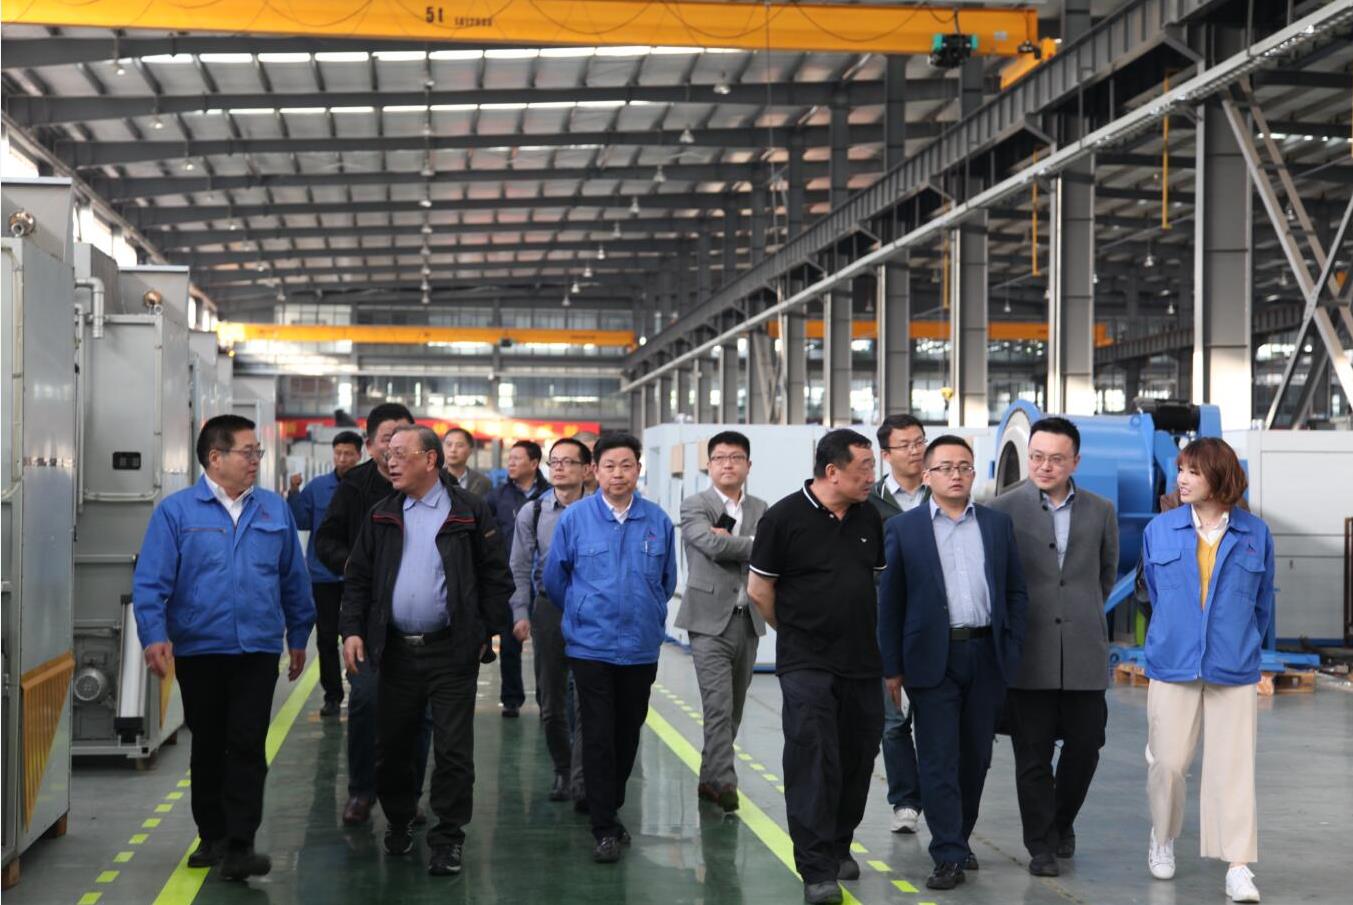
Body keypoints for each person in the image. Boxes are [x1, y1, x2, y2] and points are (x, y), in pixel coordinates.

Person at [132, 415, 314, 881]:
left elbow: (293, 579)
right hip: (200, 650)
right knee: (210, 744)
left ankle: (240, 844)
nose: (255, 460)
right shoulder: (177, 513)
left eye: (257, 452)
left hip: (257, 648)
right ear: (215, 457)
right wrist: (154, 635)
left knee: (247, 744)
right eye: (247, 452)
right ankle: (212, 835)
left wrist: (298, 634)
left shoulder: (274, 510)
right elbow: (151, 582)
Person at [339, 425, 515, 877]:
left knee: (454, 751)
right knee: (394, 746)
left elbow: (496, 576)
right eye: (388, 453)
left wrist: (485, 631)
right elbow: (358, 579)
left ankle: (448, 838)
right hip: (394, 652)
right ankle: (399, 819)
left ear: (430, 460)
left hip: (451, 651)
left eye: (401, 453)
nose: (390, 461)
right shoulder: (382, 514)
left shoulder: (468, 511)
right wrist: (352, 630)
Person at [878, 435, 1028, 891]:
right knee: (938, 757)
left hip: (985, 655)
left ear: (973, 473)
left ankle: (958, 838)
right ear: (927, 475)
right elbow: (890, 603)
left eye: (964, 466)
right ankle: (947, 853)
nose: (956, 475)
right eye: (945, 467)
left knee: (976, 758)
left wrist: (1011, 647)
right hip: (931, 659)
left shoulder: (997, 525)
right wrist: (891, 668)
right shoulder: (905, 530)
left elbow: (1015, 591)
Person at [747, 430, 886, 905]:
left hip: (862, 661)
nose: (872, 476)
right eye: (864, 467)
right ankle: (816, 868)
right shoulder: (783, 518)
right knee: (812, 758)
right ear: (832, 471)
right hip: (806, 661)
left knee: (857, 757)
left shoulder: (870, 517)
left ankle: (839, 842)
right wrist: (795, 631)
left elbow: (872, 583)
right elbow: (759, 591)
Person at [1140, 437, 1273, 904]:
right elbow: (1154, 594)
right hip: (1172, 661)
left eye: (1193, 472)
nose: (1181, 479)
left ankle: (1238, 865)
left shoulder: (1256, 533)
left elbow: (1262, 605)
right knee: (1168, 763)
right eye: (1181, 470)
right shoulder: (1160, 530)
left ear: (1219, 476)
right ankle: (1163, 835)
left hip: (1232, 665)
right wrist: (1176, 634)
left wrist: (1240, 644)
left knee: (1233, 768)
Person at [987, 417, 1118, 877]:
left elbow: (1104, 576)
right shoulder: (1001, 510)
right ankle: (1040, 845)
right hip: (1029, 651)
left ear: (1075, 461)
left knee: (1086, 746)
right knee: (1033, 754)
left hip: (1084, 650)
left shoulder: (1101, 510)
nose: (1045, 466)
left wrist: (1082, 613)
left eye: (1056, 459)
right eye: (1037, 457)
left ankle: (1061, 822)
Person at [543, 432, 676, 864]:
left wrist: (646, 612)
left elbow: (667, 581)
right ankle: (603, 827)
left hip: (640, 647)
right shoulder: (575, 519)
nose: (618, 474)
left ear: (638, 469)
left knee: (627, 731)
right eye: (609, 466)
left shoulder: (657, 521)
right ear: (594, 471)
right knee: (598, 733)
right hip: (591, 646)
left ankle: (611, 806)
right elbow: (555, 580)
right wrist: (583, 612)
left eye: (626, 465)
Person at [315, 403, 430, 827]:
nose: (395, 447)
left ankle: (409, 796)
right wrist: (352, 564)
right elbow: (326, 540)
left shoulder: (435, 487)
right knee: (365, 701)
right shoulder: (354, 487)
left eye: (403, 438)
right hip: (367, 618)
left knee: (419, 711)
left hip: (420, 621)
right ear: (370, 445)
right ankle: (362, 791)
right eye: (387, 439)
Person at [677, 430, 768, 813]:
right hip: (707, 622)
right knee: (717, 705)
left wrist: (738, 543)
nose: (727, 464)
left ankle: (709, 779)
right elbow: (711, 545)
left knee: (733, 710)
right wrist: (753, 544)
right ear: (709, 465)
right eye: (719, 458)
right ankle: (726, 783)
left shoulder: (762, 508)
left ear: (748, 464)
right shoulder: (694, 505)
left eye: (735, 458)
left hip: (748, 621)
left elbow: (772, 552)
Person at [508, 437, 593, 803]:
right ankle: (563, 768)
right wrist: (520, 612)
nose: (559, 468)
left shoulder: (600, 511)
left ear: (587, 470)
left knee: (588, 698)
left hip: (592, 611)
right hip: (549, 609)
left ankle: (582, 777)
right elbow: (519, 566)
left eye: (568, 462)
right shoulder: (534, 512)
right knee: (550, 699)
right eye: (554, 461)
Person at [868, 413, 928, 835]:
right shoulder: (868, 503)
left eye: (919, 441)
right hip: (883, 623)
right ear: (886, 454)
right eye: (905, 444)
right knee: (892, 720)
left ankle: (939, 798)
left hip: (934, 624)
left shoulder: (942, 494)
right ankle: (905, 801)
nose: (915, 451)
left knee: (936, 718)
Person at [287, 430, 364, 716]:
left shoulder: (367, 486)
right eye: (338, 453)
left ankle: (362, 689)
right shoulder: (317, 488)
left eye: (348, 454)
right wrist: (294, 493)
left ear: (359, 455)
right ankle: (332, 695)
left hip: (360, 575)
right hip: (324, 575)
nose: (343, 459)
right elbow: (300, 520)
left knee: (361, 634)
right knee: (327, 637)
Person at [484, 439, 551, 718]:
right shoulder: (497, 497)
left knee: (547, 646)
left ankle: (548, 701)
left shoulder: (551, 495)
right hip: (511, 579)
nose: (510, 463)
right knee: (510, 642)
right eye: (509, 458)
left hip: (546, 581)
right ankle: (511, 699)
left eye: (517, 458)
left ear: (534, 463)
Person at [442, 427, 492, 497]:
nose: (453, 450)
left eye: (459, 445)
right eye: (449, 444)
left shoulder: (482, 483)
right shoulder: (433, 480)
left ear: (470, 451)